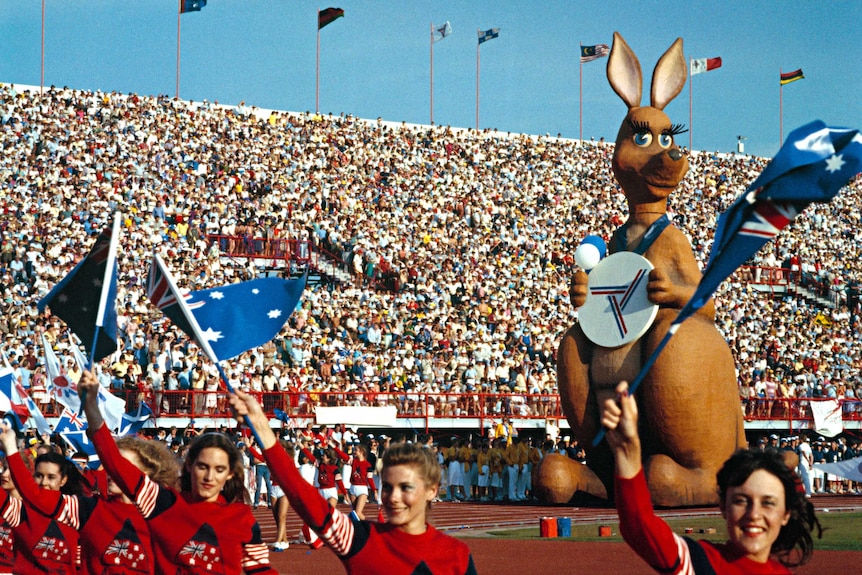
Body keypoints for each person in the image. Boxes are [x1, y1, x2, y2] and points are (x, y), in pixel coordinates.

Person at [229, 387, 478, 575]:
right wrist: (261, 425)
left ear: (432, 490)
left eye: (406, 488)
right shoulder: (360, 538)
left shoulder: (457, 555)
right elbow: (302, 496)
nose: (393, 496)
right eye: (388, 486)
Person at [602, 381, 821, 573]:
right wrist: (627, 452)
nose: (754, 514)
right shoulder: (701, 563)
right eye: (741, 501)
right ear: (723, 506)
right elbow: (639, 527)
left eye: (768, 503)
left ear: (785, 514)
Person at [78, 370, 278, 575]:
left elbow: (260, 570)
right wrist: (91, 406)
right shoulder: (163, 504)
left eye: (219, 470)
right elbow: (114, 462)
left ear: (229, 474)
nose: (209, 477)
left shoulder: (243, 519)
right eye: (202, 466)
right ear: (189, 465)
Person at [1, 424, 179, 575]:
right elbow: (33, 495)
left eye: (123, 467)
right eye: (111, 466)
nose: (113, 472)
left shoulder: (166, 515)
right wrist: (10, 447)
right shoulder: (88, 509)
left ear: (147, 474)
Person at [0, 446, 85, 574]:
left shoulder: (75, 515)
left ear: (63, 480)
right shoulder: (21, 511)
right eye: (39, 476)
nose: (44, 482)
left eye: (51, 477)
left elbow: (80, 565)